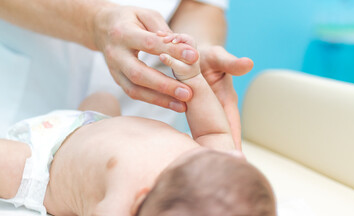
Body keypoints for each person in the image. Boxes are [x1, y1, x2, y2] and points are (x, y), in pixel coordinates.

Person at [0, 33, 274, 216]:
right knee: (104, 97)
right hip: (93, 121)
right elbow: (213, 128)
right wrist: (192, 77)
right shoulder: (219, 159)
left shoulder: (121, 203)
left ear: (138, 201)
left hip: (41, 168)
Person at [0, 0, 253, 146]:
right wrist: (94, 22)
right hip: (20, 107)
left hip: (141, 123)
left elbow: (200, 4)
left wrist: (195, 53)